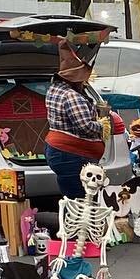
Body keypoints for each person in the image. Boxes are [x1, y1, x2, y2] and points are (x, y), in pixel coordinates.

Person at [44, 39, 107, 199]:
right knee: (80, 200)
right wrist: (103, 124)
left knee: (70, 197)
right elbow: (85, 126)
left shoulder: (54, 89)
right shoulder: (72, 96)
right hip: (72, 154)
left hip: (59, 151)